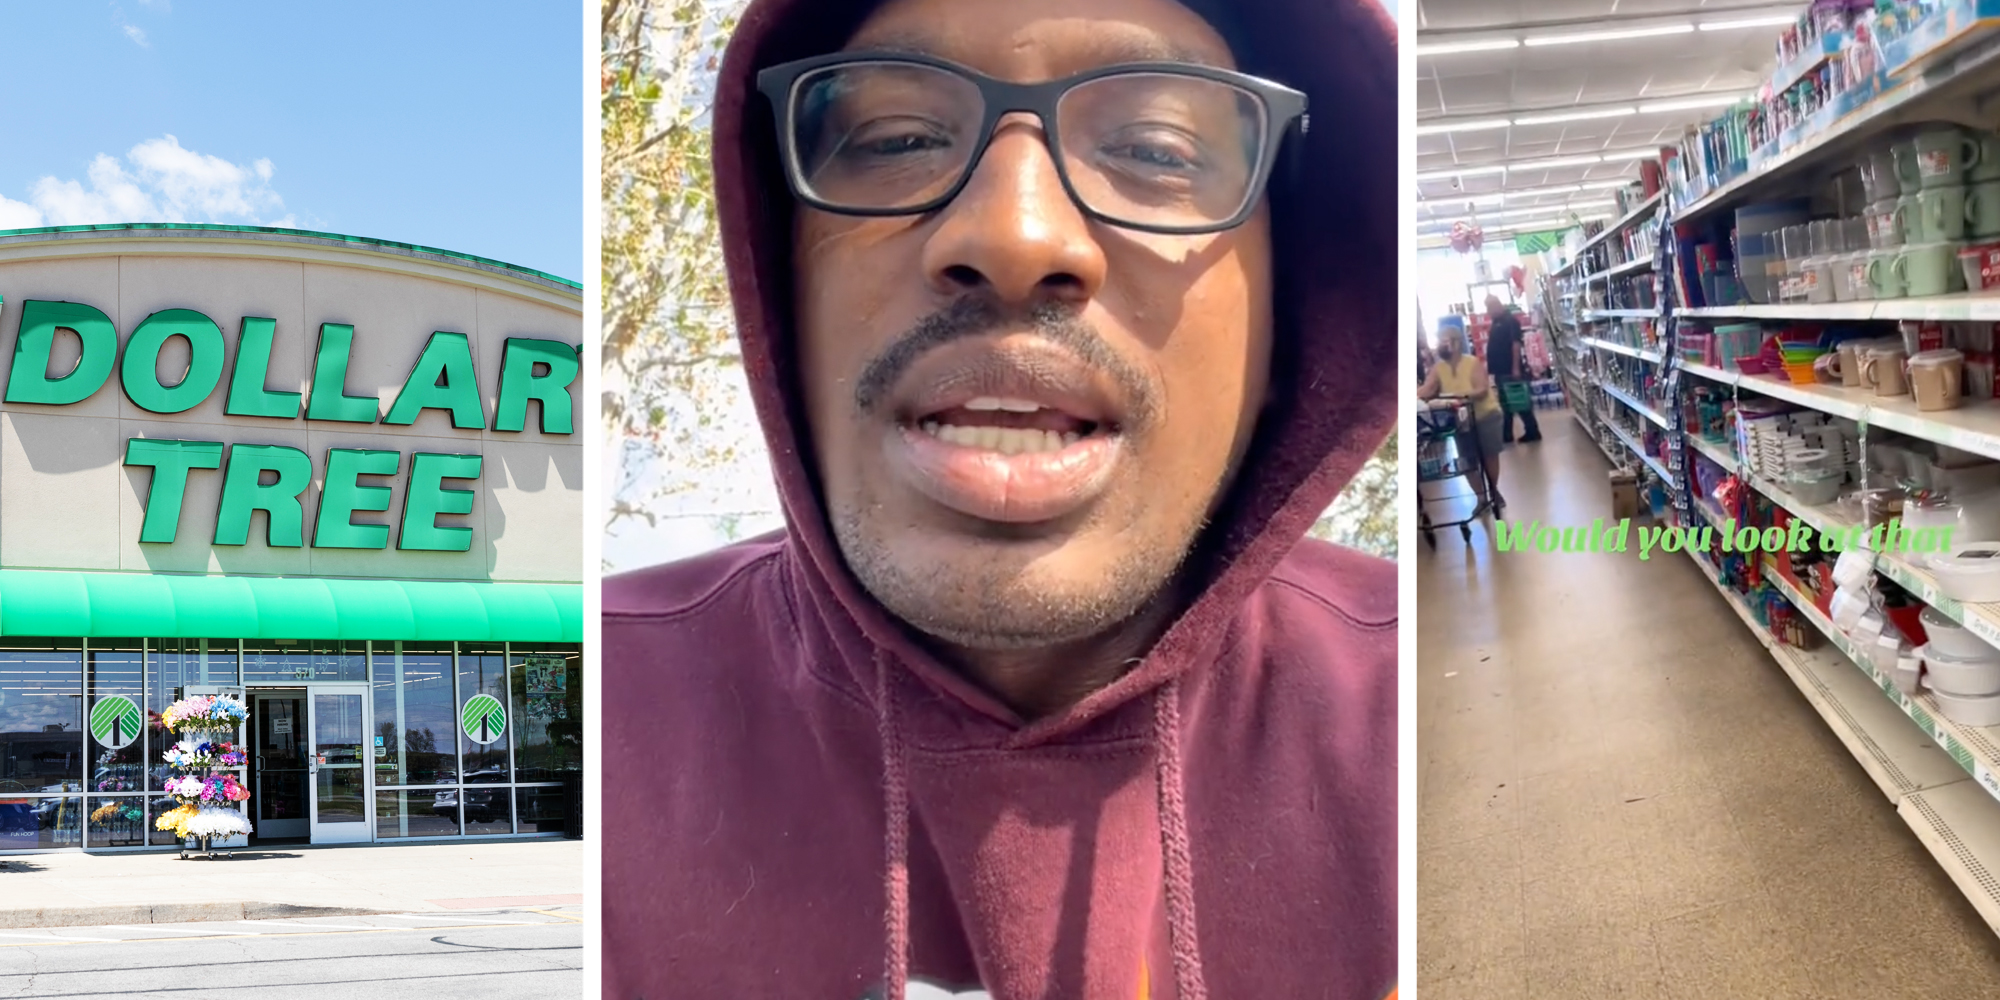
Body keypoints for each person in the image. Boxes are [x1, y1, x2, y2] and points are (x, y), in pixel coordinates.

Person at [602, 0, 1398, 997]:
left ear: (1295, 306)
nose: (1014, 234)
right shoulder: (611, 719)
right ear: (777, 279)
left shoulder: (1397, 723)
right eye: (895, 139)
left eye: (1156, 151)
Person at [1418, 324, 1504, 511]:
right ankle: (1481, 498)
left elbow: (1482, 389)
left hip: (1485, 415)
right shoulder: (1438, 368)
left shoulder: (1472, 363)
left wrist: (1461, 396)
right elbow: (1428, 388)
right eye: (1438, 341)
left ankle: (1493, 491)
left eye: (1443, 341)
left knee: (1489, 456)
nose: (1439, 345)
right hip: (1460, 421)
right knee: (1466, 461)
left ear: (1456, 343)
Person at [1482, 294, 1541, 444]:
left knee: (1519, 400)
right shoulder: (1496, 322)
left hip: (1509, 368)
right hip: (1500, 369)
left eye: (1489, 308)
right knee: (1506, 403)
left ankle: (1532, 431)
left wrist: (1515, 368)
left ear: (1497, 305)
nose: (1488, 312)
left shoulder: (1510, 321)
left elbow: (1516, 344)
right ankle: (1507, 435)